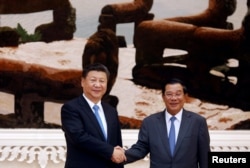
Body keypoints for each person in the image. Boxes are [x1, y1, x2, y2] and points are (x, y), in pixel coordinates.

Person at [122, 78, 210, 168]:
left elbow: (205, 158)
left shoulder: (198, 122)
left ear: (185, 96)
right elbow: (140, 149)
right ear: (163, 97)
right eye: (169, 94)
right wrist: (121, 156)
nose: (174, 98)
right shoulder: (150, 123)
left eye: (178, 94)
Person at [61, 63, 126, 168]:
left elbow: (117, 145)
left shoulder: (111, 111)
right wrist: (110, 151)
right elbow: (79, 137)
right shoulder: (71, 108)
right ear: (83, 82)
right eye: (93, 80)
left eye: (102, 81)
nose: (97, 85)